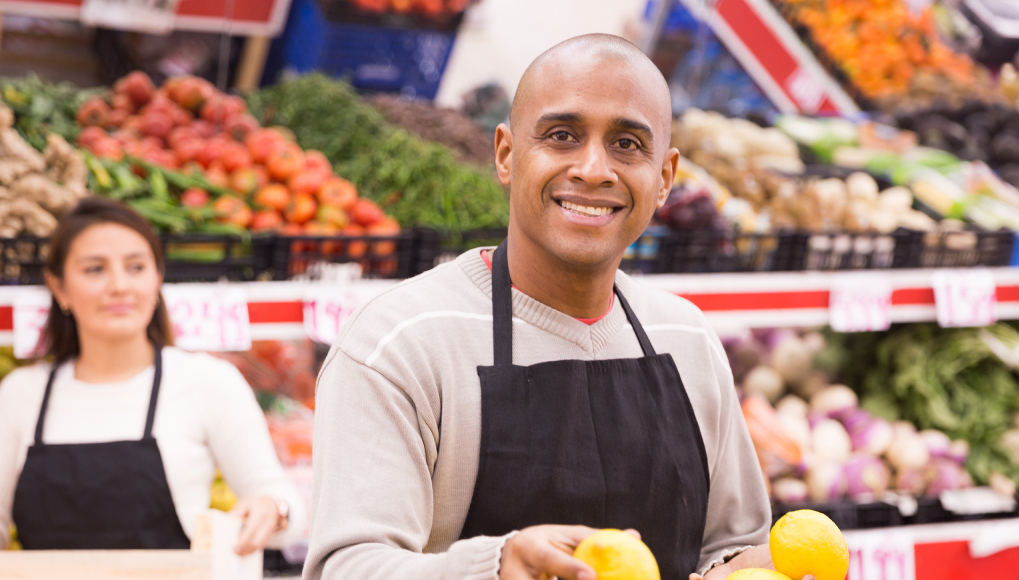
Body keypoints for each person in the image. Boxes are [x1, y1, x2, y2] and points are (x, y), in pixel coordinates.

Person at [306, 35, 811, 580]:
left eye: (627, 144)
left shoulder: (685, 338)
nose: (594, 169)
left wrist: (744, 569)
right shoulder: (402, 343)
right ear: (506, 154)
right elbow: (349, 566)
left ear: (665, 178)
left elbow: (730, 545)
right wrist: (495, 567)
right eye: (562, 135)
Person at [0, 197, 304, 554]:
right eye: (95, 269)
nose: (119, 285)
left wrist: (274, 510)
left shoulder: (207, 382)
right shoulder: (24, 393)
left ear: (157, 278)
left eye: (136, 267)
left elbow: (280, 499)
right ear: (59, 288)